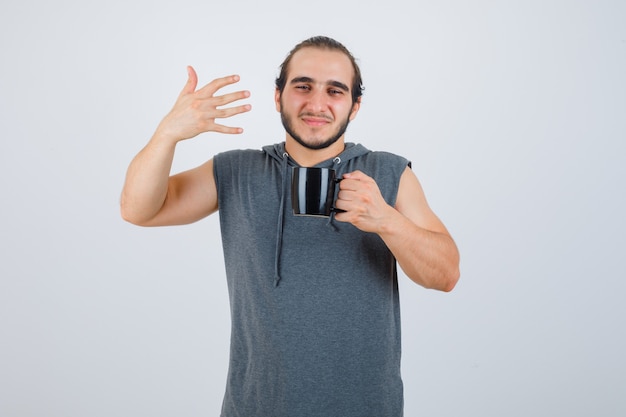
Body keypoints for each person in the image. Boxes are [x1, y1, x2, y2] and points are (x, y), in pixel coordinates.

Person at [121, 36, 460, 417]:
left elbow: (445, 274)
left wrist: (387, 221)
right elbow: (139, 210)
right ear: (278, 96)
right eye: (302, 86)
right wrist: (167, 134)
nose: (317, 104)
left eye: (335, 90)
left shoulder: (388, 172)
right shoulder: (236, 171)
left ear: (355, 105)